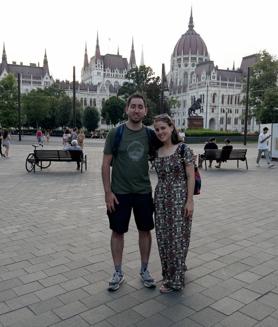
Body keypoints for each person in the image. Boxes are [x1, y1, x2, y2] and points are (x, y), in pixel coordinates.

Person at [102, 93, 157, 292]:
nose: (136, 110)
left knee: (145, 231)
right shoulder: (115, 134)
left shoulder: (151, 135)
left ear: (145, 111)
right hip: (119, 193)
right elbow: (105, 164)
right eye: (132, 106)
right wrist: (108, 193)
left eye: (140, 106)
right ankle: (118, 272)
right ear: (127, 109)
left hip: (143, 191)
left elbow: (168, 148)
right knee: (117, 232)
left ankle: (144, 270)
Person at [153, 114, 195, 293]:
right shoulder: (157, 151)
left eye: (163, 128)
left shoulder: (183, 149)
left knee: (177, 239)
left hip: (179, 199)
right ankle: (171, 272)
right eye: (157, 129)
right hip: (161, 199)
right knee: (163, 238)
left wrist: (190, 201)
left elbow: (191, 175)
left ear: (171, 127)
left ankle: (174, 280)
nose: (160, 132)